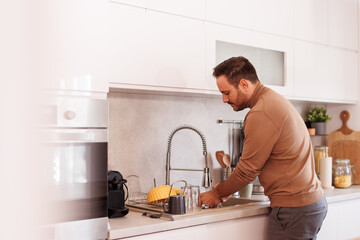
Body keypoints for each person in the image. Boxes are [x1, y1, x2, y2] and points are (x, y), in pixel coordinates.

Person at [199, 56, 327, 239]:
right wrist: (225, 188)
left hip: (294, 209)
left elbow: (247, 171)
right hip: (307, 204)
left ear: (244, 84)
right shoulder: (272, 100)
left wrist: (217, 193)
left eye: (226, 92)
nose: (224, 99)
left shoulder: (261, 112)